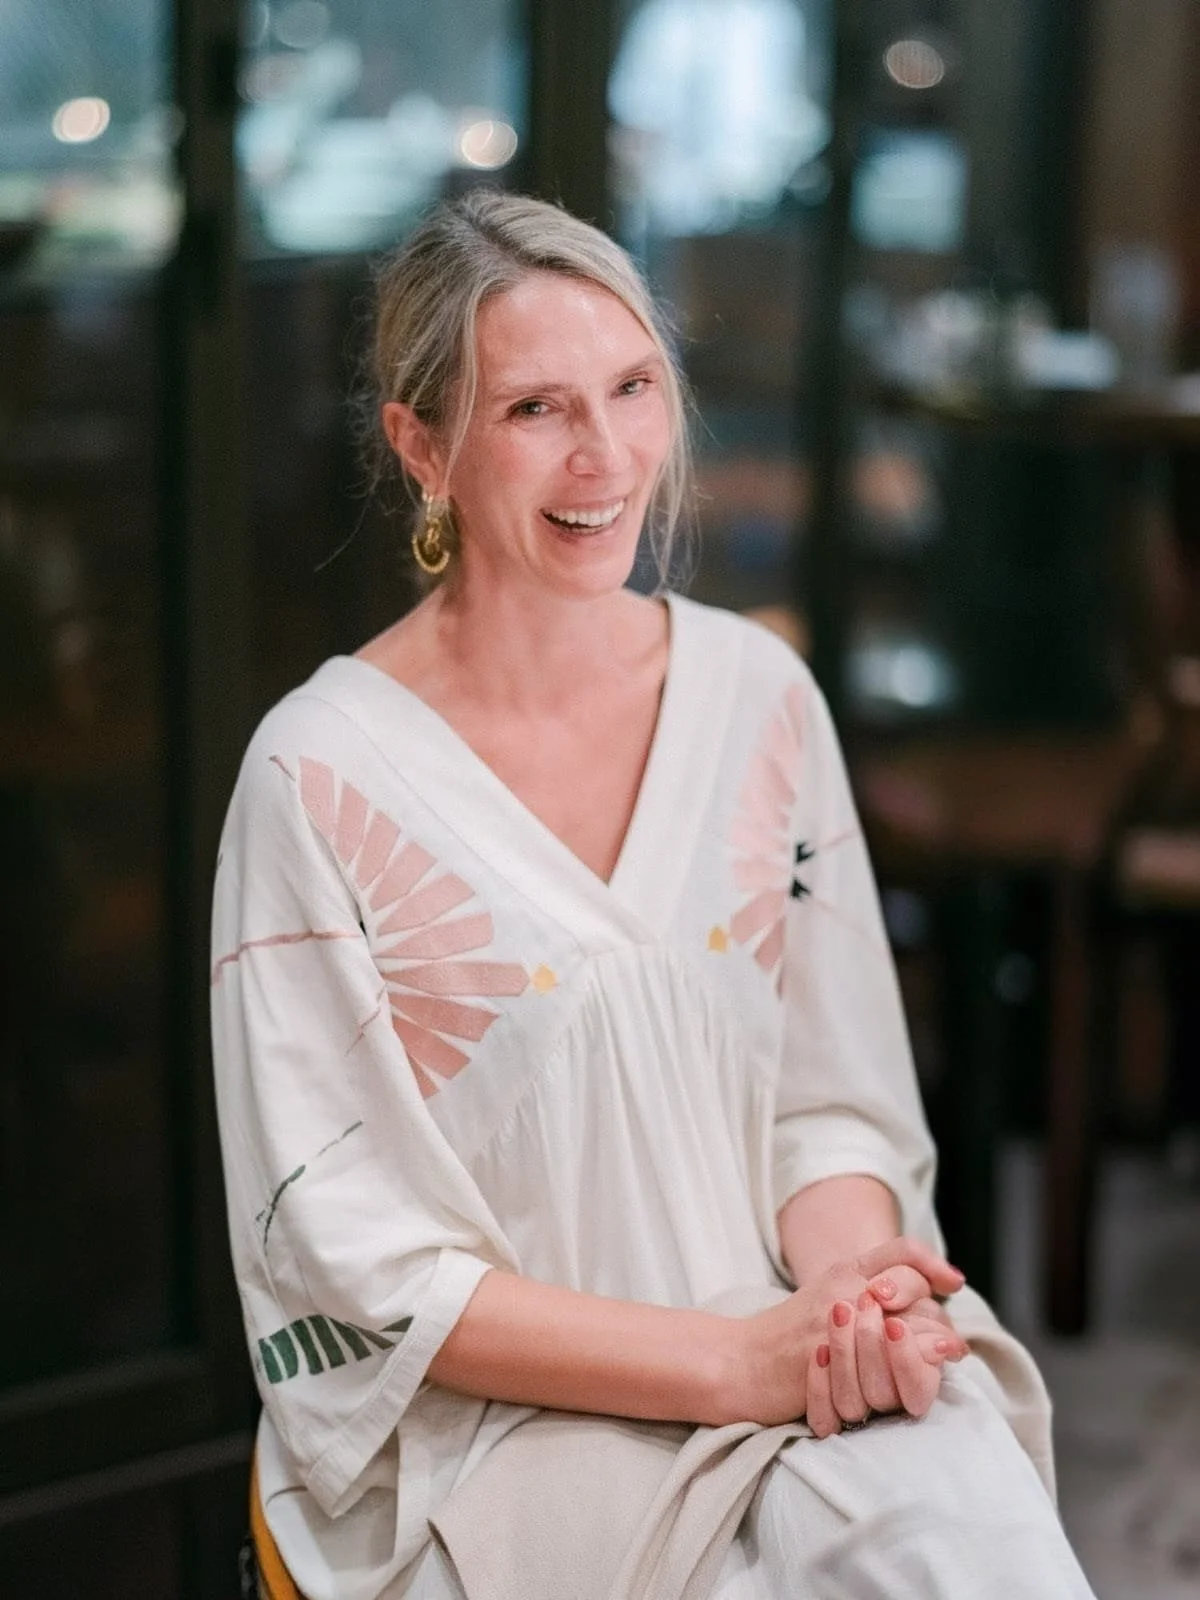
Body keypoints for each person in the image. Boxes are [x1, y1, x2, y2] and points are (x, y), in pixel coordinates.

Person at [211, 190, 1096, 1600]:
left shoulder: (761, 702)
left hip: (781, 1340)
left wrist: (850, 1300)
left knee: (971, 1553)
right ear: (421, 447)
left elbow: (830, 1103)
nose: (606, 453)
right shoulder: (319, 782)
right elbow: (366, 1273)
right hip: (502, 1440)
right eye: (535, 410)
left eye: (632, 389)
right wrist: (729, 1368)